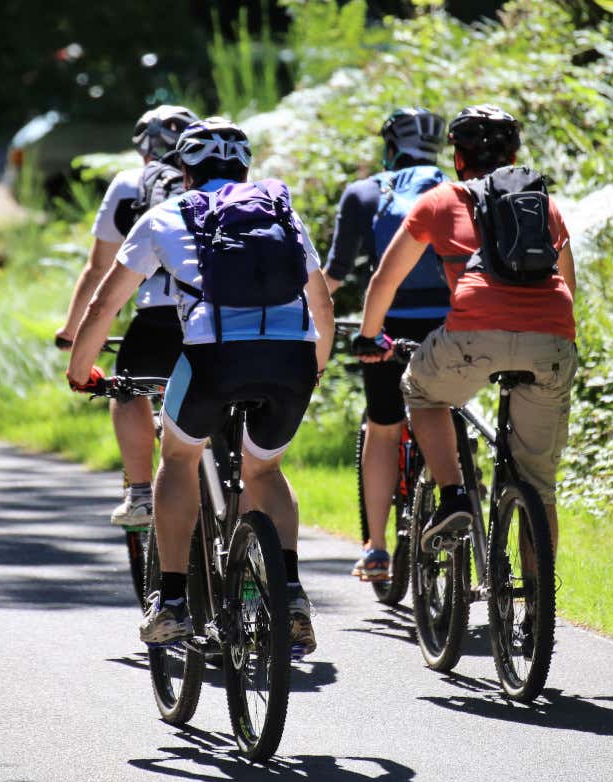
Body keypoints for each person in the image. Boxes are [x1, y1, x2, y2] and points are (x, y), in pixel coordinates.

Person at [66, 118, 335, 654]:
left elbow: (105, 303)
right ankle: (291, 592)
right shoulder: (280, 210)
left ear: (183, 171)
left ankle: (170, 602)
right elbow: (321, 304)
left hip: (214, 359)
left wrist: (80, 371)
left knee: (180, 458)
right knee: (265, 470)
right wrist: (316, 366)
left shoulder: (163, 215)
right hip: (292, 358)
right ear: (245, 168)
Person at [354, 104, 578, 557]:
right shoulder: (544, 206)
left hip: (474, 332)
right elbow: (568, 285)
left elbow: (385, 279)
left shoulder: (440, 201)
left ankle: (454, 494)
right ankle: (538, 613)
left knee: (421, 391)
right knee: (539, 486)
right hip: (552, 337)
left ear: (457, 159)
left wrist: (369, 336)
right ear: (514, 158)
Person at [322, 107, 449, 582]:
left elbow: (335, 274)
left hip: (389, 327)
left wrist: (297, 309)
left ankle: (376, 547)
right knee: (448, 410)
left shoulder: (366, 192)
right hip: (453, 324)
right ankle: (465, 489)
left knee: (383, 427)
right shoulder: (455, 191)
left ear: (389, 146)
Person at [56, 104, 198, 527]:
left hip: (157, 318)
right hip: (218, 316)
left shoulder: (130, 185)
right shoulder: (214, 187)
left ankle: (139, 493)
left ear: (143, 149)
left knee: (127, 388)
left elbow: (99, 269)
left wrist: (71, 330)